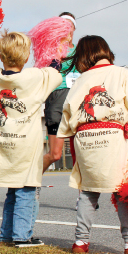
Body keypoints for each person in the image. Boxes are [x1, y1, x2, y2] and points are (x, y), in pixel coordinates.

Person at [57, 35, 128, 254]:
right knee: (123, 190)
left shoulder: (79, 82)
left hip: (84, 140)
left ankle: (80, 242)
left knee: (88, 192)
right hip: (112, 136)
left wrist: (77, 161)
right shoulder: (121, 74)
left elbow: (68, 123)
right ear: (106, 51)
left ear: (83, 57)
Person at [0, 30, 62, 247]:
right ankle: (22, 236)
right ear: (26, 56)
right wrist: (56, 49)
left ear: (1, 55)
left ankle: (7, 234)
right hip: (26, 148)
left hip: (0, 146)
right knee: (26, 190)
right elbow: (55, 69)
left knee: (12, 191)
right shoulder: (35, 77)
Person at [36, 12, 80, 172]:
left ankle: (85, 195)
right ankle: (29, 184)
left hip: (77, 98)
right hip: (57, 97)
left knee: (81, 153)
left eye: (70, 26)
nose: (67, 28)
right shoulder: (49, 49)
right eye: (63, 24)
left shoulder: (80, 50)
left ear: (74, 28)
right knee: (55, 154)